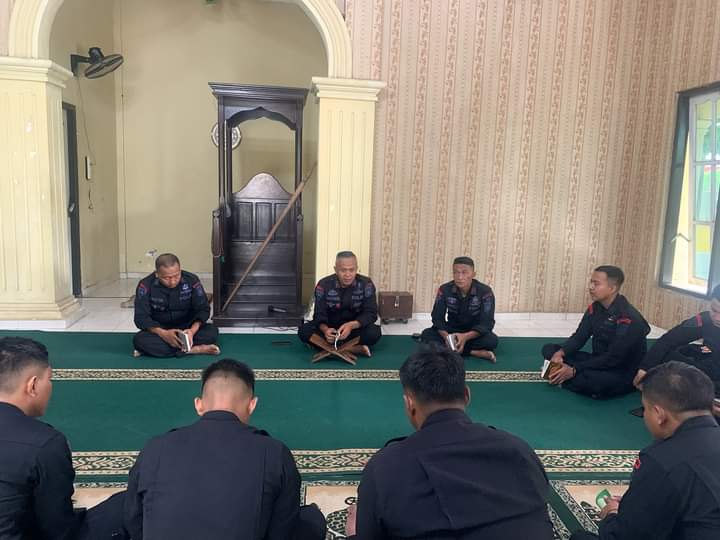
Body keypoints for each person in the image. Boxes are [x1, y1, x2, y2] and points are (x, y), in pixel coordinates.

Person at [345, 346, 553, 540]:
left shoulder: (386, 467)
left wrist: (354, 534)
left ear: (409, 404)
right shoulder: (519, 449)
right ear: (467, 395)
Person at [124, 358, 326, 540]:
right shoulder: (274, 452)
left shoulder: (156, 446)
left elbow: (134, 521)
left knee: (120, 505)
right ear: (252, 405)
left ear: (199, 405)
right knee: (311, 519)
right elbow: (282, 530)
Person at [570, 361, 720, 540]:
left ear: (659, 414)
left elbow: (623, 536)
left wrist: (612, 514)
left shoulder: (662, 460)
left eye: (645, 409)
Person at [0, 336, 126, 539]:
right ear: (33, 385)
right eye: (49, 379)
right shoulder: (45, 442)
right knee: (125, 505)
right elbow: (57, 528)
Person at [541, 266, 650, 398]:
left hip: (621, 370)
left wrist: (575, 370)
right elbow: (579, 338)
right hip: (598, 361)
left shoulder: (627, 317)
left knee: (597, 383)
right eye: (591, 282)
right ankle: (567, 376)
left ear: (612, 288)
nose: (591, 287)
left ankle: (565, 377)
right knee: (549, 349)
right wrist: (560, 354)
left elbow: (613, 358)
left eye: (596, 284)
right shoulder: (595, 308)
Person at [633, 284, 720, 394]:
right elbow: (668, 340)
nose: (717, 318)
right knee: (665, 355)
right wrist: (644, 369)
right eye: (714, 310)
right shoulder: (704, 319)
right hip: (709, 362)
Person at [133, 253, 220, 357]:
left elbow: (203, 309)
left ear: (180, 270)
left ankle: (169, 349)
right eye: (166, 278)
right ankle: (193, 349)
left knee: (211, 332)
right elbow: (141, 317)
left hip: (187, 327)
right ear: (157, 274)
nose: (172, 282)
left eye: (176, 276)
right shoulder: (145, 285)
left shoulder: (191, 280)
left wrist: (192, 331)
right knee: (139, 340)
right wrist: (164, 334)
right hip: (160, 328)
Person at [298, 251, 381, 356]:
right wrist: (325, 330)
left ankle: (326, 347)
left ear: (356, 269)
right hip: (330, 329)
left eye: (352, 270)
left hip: (354, 328)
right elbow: (319, 314)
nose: (348, 275)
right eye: (343, 270)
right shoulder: (323, 284)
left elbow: (371, 313)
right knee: (304, 331)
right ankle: (353, 349)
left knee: (374, 332)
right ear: (336, 269)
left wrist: (351, 325)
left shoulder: (366, 284)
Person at [420, 256, 498, 362]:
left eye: (464, 272)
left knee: (491, 341)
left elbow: (487, 322)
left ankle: (451, 349)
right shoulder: (444, 289)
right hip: (451, 330)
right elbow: (437, 317)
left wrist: (465, 337)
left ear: (473, 274)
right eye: (456, 272)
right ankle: (473, 352)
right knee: (427, 335)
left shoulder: (485, 292)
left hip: (473, 332)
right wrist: (447, 338)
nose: (460, 277)